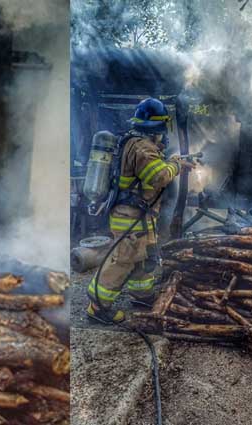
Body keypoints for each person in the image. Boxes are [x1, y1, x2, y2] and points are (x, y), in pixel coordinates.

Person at [87, 98, 195, 323]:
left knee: (143, 257)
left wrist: (174, 161)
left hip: (139, 216)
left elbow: (152, 169)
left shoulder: (138, 143)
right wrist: (175, 165)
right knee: (123, 260)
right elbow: (158, 176)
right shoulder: (143, 147)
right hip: (130, 217)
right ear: (159, 125)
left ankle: (142, 295)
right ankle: (98, 308)